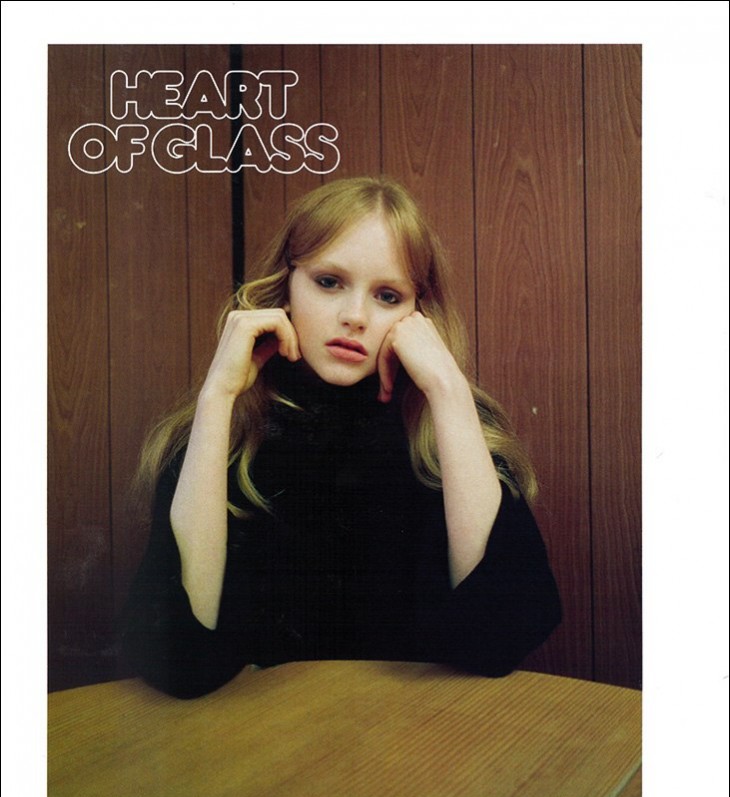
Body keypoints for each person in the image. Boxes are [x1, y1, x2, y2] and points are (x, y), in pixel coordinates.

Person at [121, 175, 561, 698]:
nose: (354, 317)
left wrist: (447, 390)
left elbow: (503, 637)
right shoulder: (227, 432)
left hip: (422, 733)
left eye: (388, 296)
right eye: (329, 282)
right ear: (287, 286)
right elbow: (179, 662)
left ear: (418, 315)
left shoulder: (452, 429)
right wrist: (218, 398)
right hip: (261, 734)